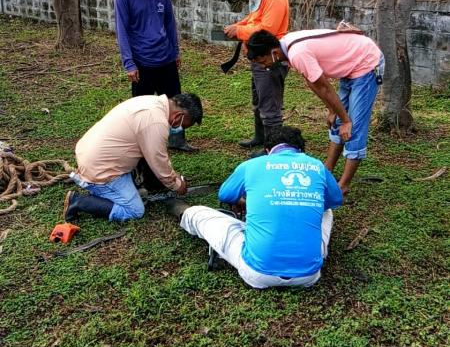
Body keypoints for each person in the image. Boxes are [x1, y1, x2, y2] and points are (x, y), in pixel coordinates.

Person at [167, 126, 343, 289]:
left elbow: (225, 195)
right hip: (308, 275)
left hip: (258, 273)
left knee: (199, 213)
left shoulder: (252, 165)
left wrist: (246, 201)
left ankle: (182, 211)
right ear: (301, 151)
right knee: (326, 211)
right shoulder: (317, 166)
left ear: (267, 150)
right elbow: (335, 200)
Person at [246, 28, 384, 195]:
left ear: (274, 52)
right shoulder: (287, 47)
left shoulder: (297, 53)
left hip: (366, 62)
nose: (264, 66)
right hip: (351, 64)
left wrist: (346, 120)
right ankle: (327, 171)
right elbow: (312, 82)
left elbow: (325, 87)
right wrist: (332, 110)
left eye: (263, 61)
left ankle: (343, 186)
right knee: (338, 122)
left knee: (353, 127)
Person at [63, 93, 203, 223]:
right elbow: (158, 160)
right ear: (179, 116)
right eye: (183, 126)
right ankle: (79, 201)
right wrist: (177, 184)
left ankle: (143, 184)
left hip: (90, 153)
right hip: (101, 169)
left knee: (148, 161)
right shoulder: (157, 123)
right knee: (135, 211)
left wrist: (171, 177)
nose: (180, 128)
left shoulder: (152, 102)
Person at [114, 0, 195, 152]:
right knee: (142, 108)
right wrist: (129, 63)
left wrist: (175, 51)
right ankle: (142, 145)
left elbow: (169, 21)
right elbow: (122, 31)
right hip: (142, 61)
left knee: (175, 101)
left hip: (166, 57)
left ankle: (177, 140)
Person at [223, 0, 289, 150]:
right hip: (260, 57)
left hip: (271, 58)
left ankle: (272, 148)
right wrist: (238, 26)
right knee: (259, 100)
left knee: (269, 106)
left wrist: (239, 31)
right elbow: (254, 18)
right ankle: (260, 138)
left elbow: (267, 30)